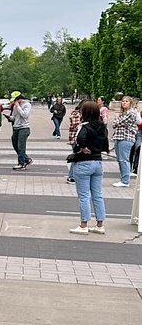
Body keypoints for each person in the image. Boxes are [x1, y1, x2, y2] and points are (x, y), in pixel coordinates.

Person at [68, 100, 108, 235]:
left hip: (84, 162)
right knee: (97, 195)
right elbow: (106, 143)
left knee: (84, 195)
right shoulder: (102, 126)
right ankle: (100, 224)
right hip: (98, 161)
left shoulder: (83, 126)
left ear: (84, 113)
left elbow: (79, 139)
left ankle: (83, 224)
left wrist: (83, 147)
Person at [110, 95, 138, 187]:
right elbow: (115, 124)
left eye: (126, 101)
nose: (124, 103)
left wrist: (117, 119)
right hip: (119, 137)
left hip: (126, 138)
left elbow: (117, 123)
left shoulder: (131, 112)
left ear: (130, 103)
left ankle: (125, 181)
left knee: (124, 159)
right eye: (123, 101)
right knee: (120, 159)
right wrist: (117, 120)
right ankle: (123, 178)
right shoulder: (123, 113)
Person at [8, 92, 32, 170]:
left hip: (24, 128)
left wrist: (18, 107)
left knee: (21, 146)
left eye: (15, 100)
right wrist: (10, 118)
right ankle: (26, 159)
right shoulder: (15, 106)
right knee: (15, 144)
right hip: (16, 127)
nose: (14, 102)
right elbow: (14, 117)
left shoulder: (27, 105)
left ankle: (21, 163)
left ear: (19, 99)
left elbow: (25, 115)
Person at [66, 101, 82, 183]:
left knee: (78, 157)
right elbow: (76, 125)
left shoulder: (79, 114)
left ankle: (72, 175)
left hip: (77, 139)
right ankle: (71, 176)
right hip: (76, 139)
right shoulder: (76, 114)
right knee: (77, 157)